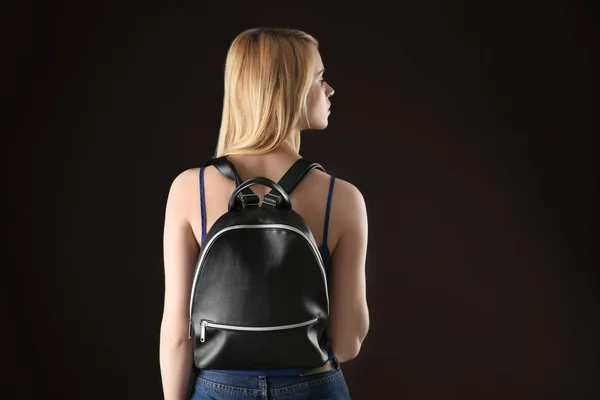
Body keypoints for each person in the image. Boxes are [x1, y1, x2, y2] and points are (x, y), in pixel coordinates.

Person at [159, 27, 369, 400]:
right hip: (312, 387)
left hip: (218, 388)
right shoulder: (343, 197)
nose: (330, 89)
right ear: (287, 89)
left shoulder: (191, 189)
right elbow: (348, 342)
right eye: (320, 78)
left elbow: (177, 334)